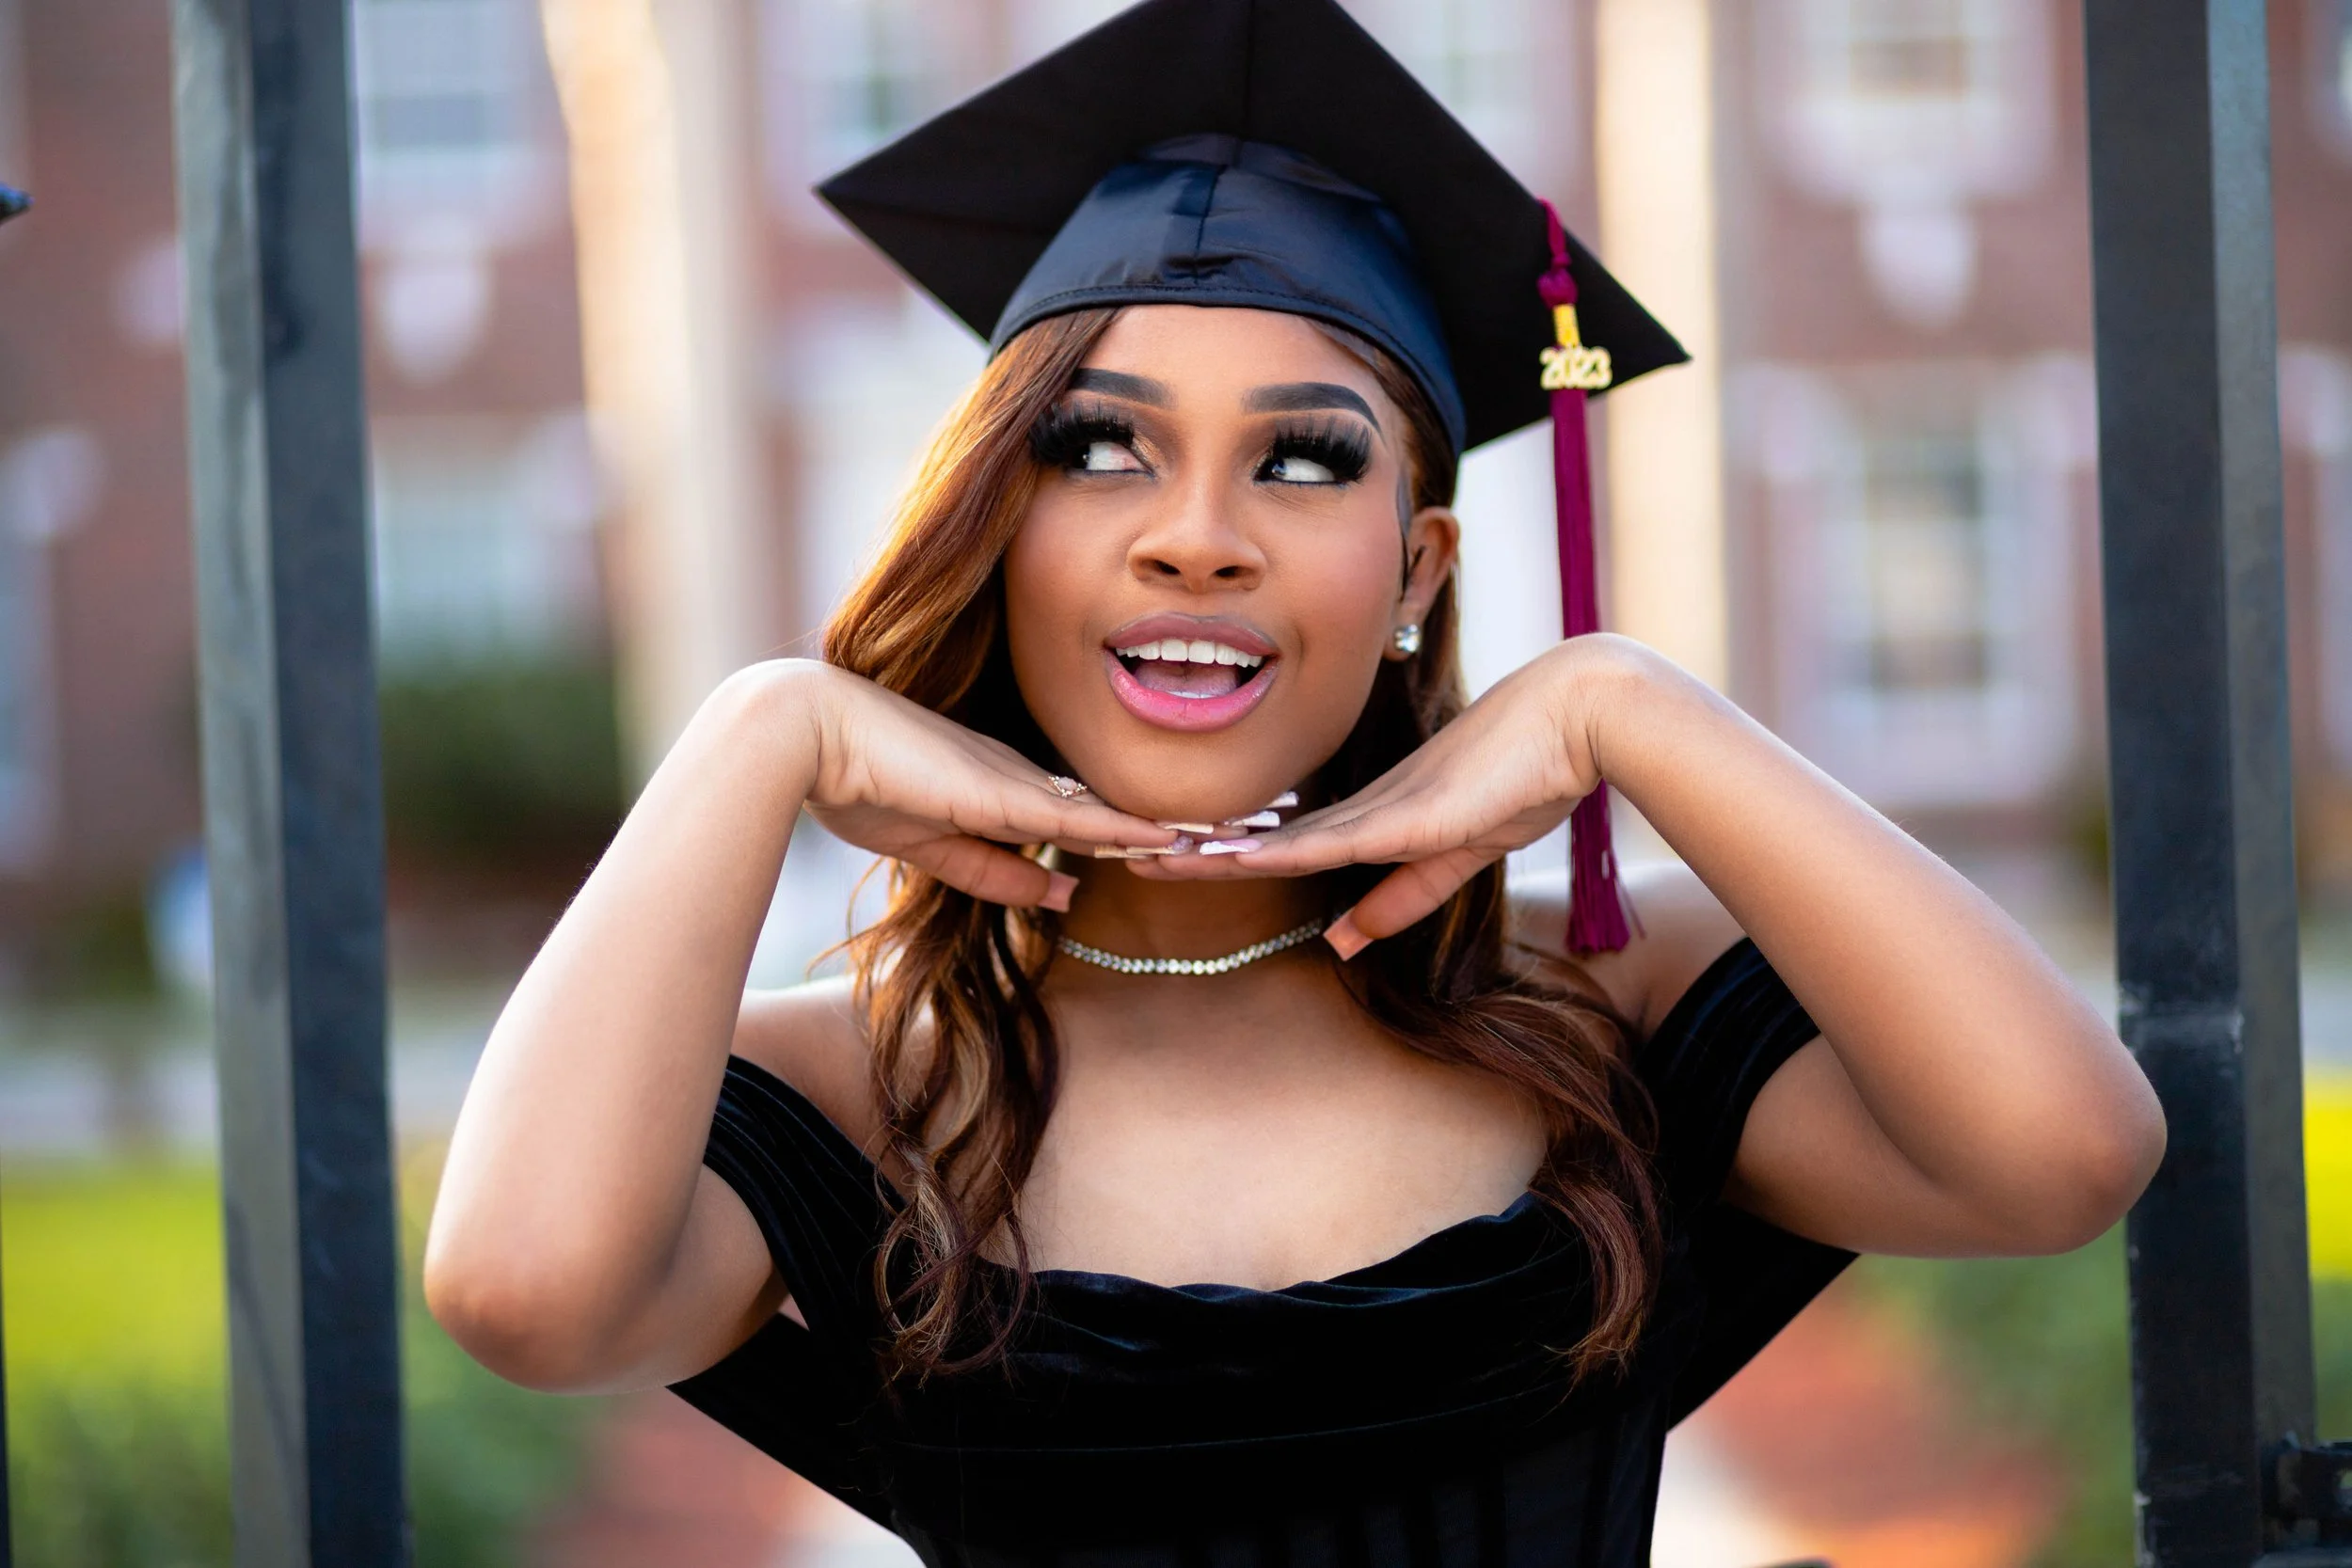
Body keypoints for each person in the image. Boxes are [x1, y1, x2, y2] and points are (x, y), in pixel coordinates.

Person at [423, 1, 2165, 1560]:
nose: (1197, 539)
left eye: (1301, 460)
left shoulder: (1599, 1006)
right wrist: (758, 733)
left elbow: (2064, 1155)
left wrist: (1629, 707)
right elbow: (523, 1292)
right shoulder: (863, 1078)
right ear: (996, 531)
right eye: (1097, 448)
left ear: (1415, 574)